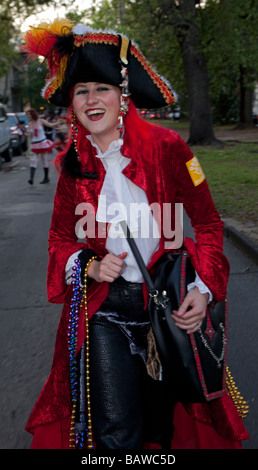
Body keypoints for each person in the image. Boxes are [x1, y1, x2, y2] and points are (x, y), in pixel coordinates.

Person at [22, 20, 249, 449]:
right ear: (71, 103)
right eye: (81, 90)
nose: (92, 99)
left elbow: (209, 225)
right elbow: (58, 241)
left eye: (102, 88)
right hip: (105, 314)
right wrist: (88, 263)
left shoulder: (169, 149)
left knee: (160, 429)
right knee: (115, 433)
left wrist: (201, 289)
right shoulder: (72, 167)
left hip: (168, 314)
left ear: (123, 97)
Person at [26, 108, 54, 184]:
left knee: (44, 159)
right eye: (27, 114)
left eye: (29, 114)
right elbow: (30, 134)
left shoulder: (40, 121)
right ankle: (31, 179)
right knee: (33, 160)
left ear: (33, 114)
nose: (27, 116)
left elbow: (50, 125)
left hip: (42, 143)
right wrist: (27, 134)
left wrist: (59, 123)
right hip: (35, 144)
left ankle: (46, 178)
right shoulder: (30, 124)